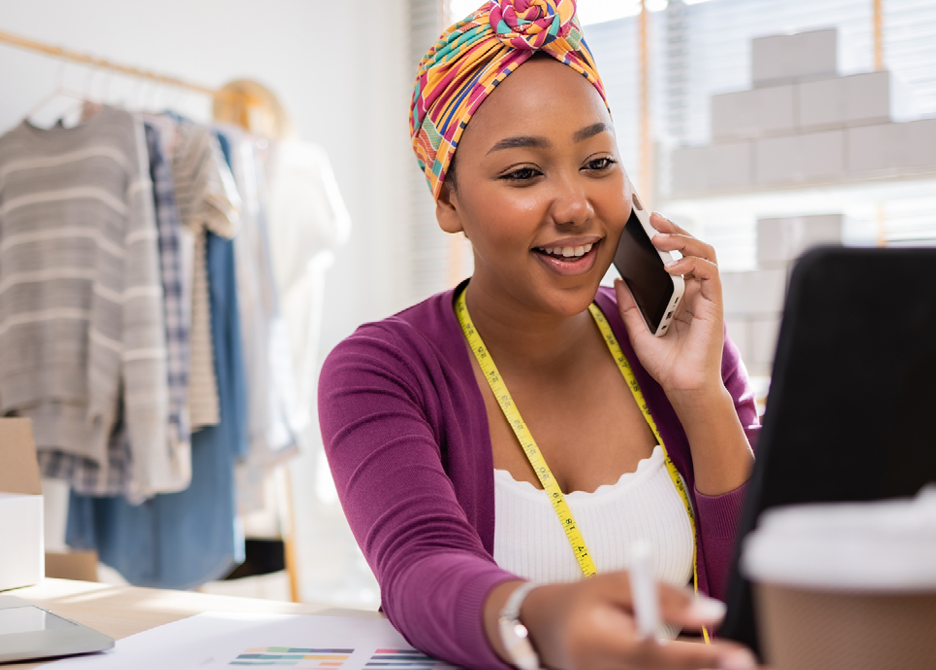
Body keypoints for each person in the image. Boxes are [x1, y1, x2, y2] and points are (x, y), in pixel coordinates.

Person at [318, 2, 760, 668]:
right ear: (447, 200)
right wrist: (539, 615)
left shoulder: (682, 343)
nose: (577, 205)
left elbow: (762, 602)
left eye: (599, 162)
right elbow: (417, 568)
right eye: (524, 173)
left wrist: (701, 397)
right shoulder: (381, 371)